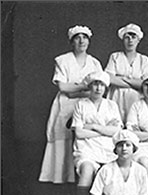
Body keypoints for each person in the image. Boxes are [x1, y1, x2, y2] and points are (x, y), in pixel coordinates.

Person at [39, 25, 103, 184]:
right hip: (66, 106)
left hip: (88, 105)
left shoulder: (95, 63)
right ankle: (63, 178)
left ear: (89, 41)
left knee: (85, 138)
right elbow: (63, 87)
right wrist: (84, 86)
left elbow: (98, 89)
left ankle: (85, 177)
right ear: (71, 42)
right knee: (65, 138)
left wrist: (75, 89)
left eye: (84, 37)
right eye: (77, 37)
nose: (81, 41)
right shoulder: (63, 60)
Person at [71, 71, 123, 195]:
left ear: (106, 88)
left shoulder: (112, 105)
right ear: (90, 86)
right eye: (95, 84)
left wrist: (93, 126)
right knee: (87, 170)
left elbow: (116, 131)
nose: (98, 88)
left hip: (108, 149)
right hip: (86, 149)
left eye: (101, 85)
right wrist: (105, 130)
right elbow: (79, 133)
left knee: (112, 173)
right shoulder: (81, 105)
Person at [105, 23, 148, 123]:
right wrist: (134, 81)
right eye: (127, 37)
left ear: (138, 40)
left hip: (136, 98)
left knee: (134, 125)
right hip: (116, 97)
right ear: (123, 40)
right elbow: (109, 78)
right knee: (116, 126)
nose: (130, 40)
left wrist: (122, 78)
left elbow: (145, 83)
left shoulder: (143, 59)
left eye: (133, 37)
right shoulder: (115, 56)